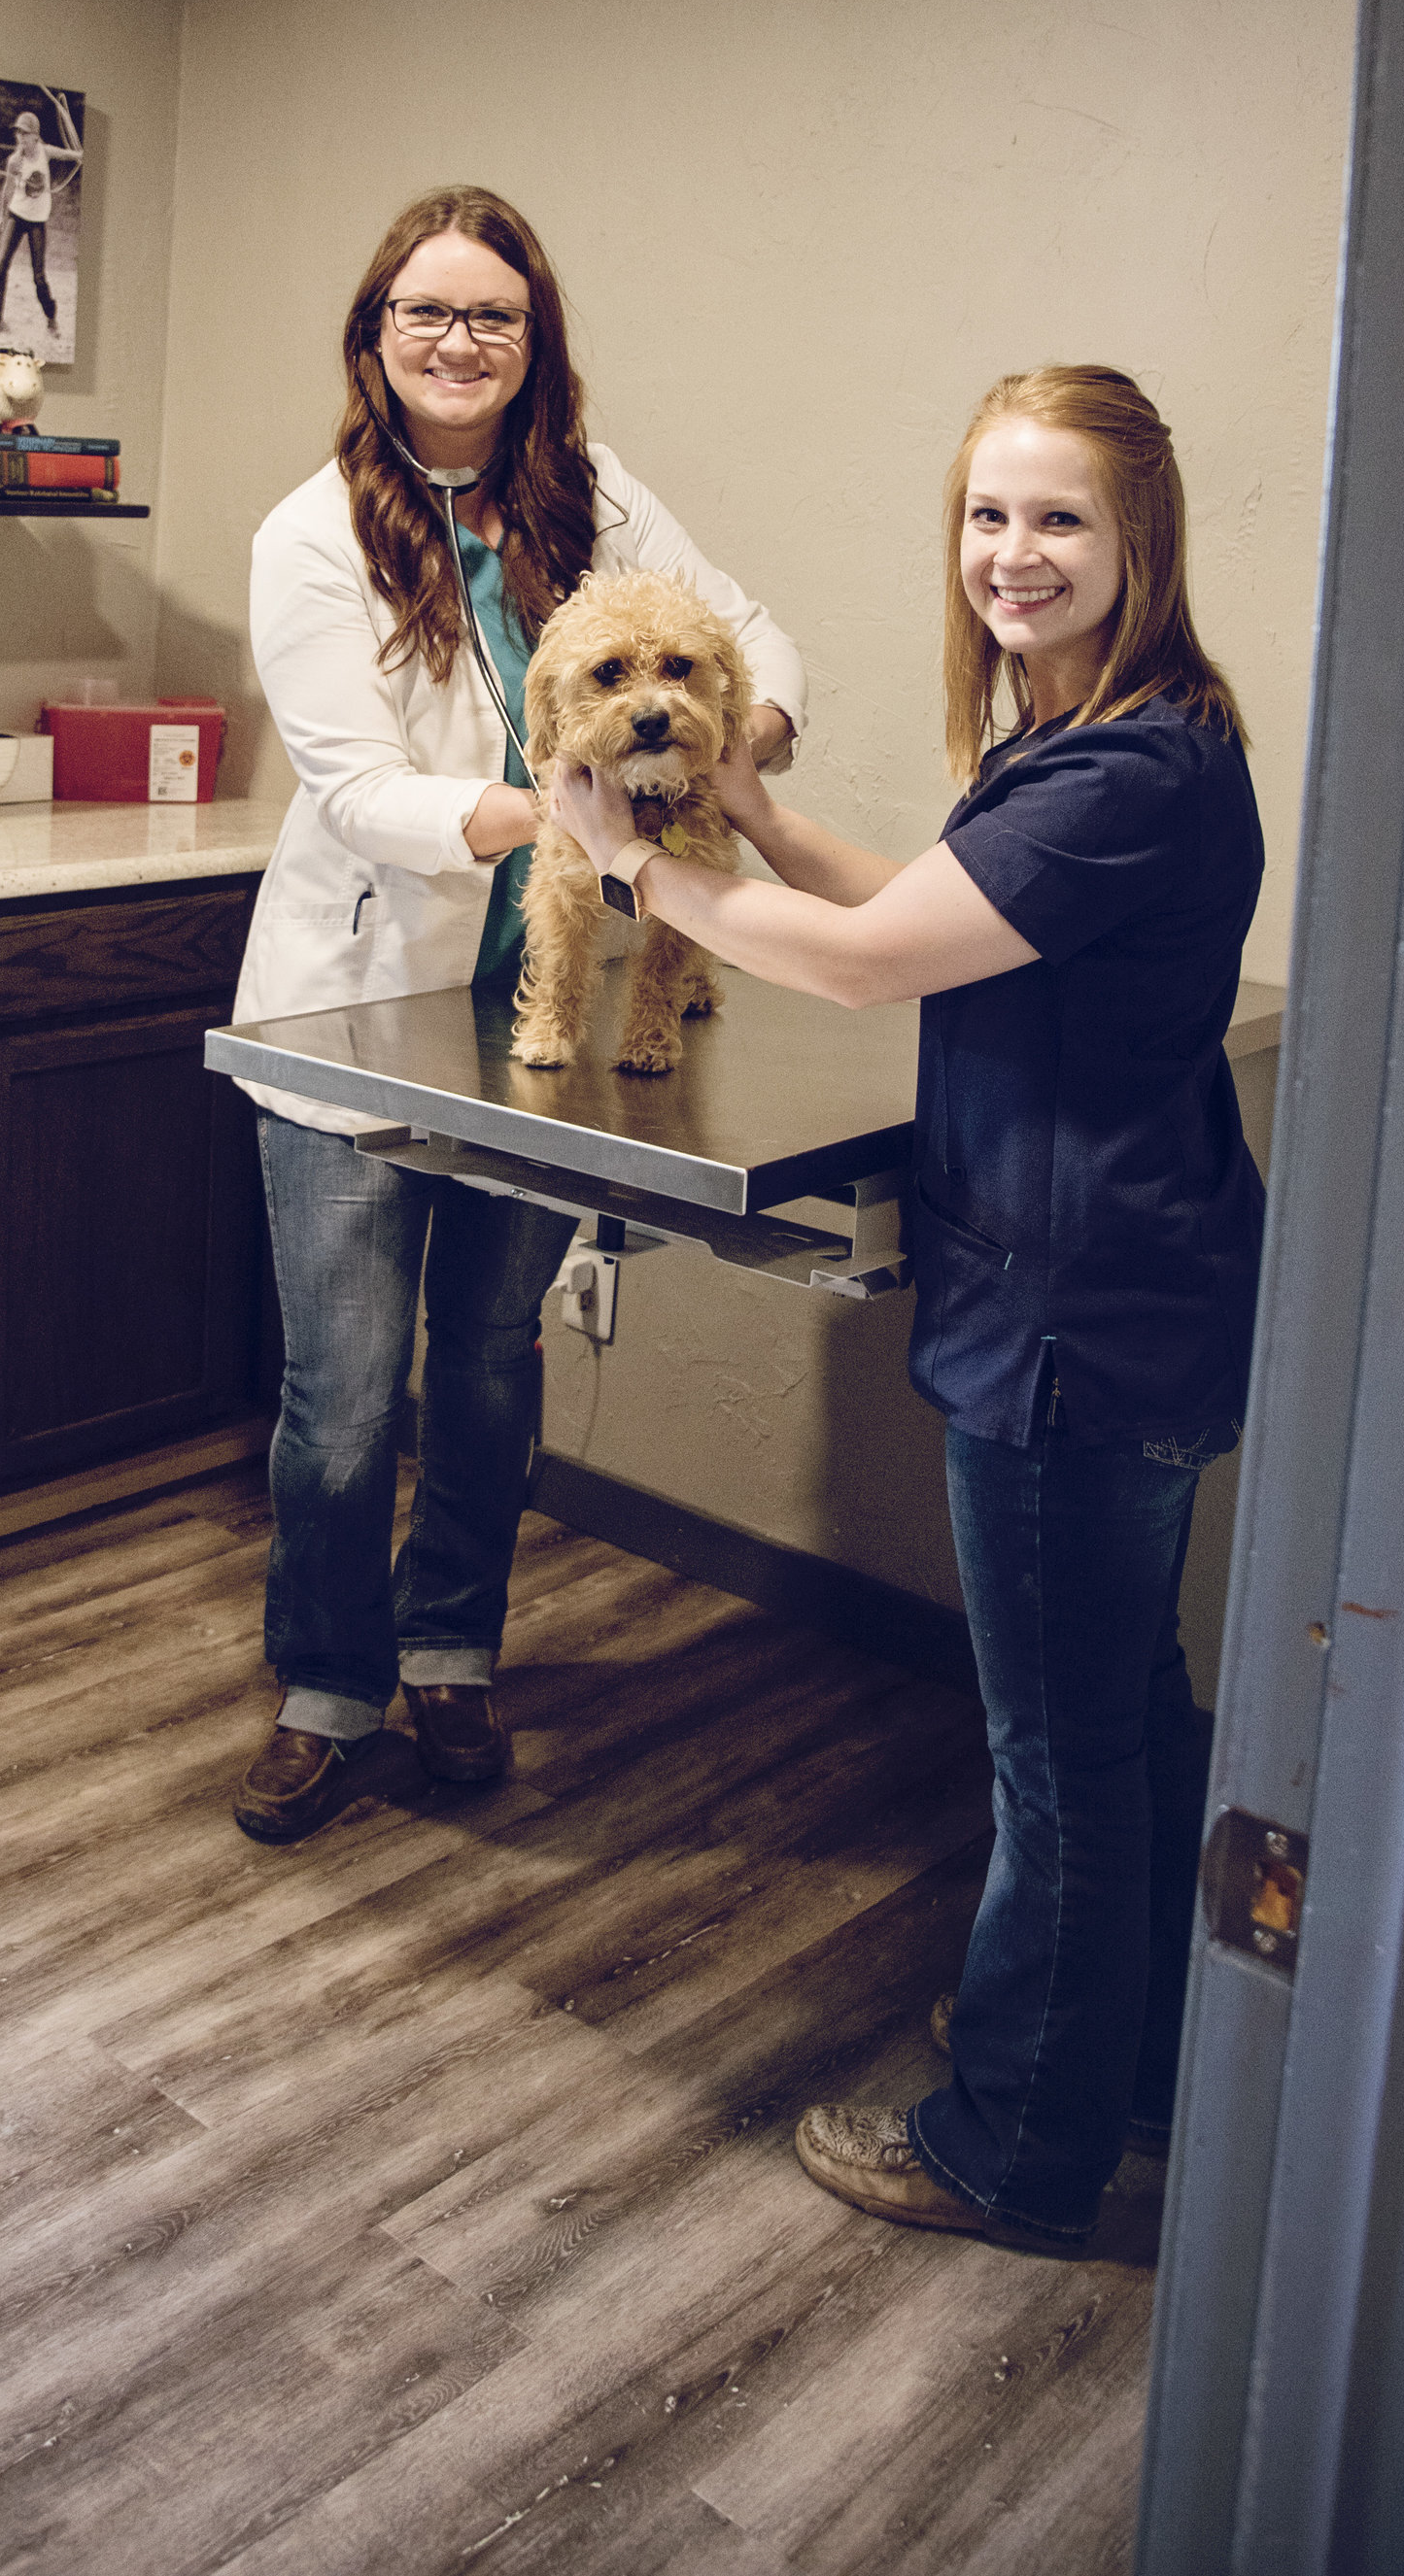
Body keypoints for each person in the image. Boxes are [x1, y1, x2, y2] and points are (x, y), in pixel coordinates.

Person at [547, 364, 1264, 2254]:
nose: (1011, 554)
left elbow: (872, 969)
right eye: (986, 515)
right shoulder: (1106, 734)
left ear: (1137, 538)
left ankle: (1011, 2144)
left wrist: (634, 862)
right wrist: (758, 817)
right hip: (1135, 1293)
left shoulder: (1122, 770)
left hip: (1068, 1328)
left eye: (1058, 518)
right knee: (1126, 1710)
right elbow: (937, 915)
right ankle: (1130, 2059)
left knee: (1058, 1754)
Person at [229, 186, 807, 1846]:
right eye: (426, 311)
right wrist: (551, 814)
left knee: (489, 1364)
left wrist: (730, 741)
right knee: (346, 1399)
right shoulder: (311, 535)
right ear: (375, 335)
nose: (459, 341)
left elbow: (748, 634)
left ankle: (451, 1657)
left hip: (534, 1015)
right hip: (359, 1008)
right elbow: (353, 785)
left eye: (493, 314)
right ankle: (326, 1688)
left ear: (533, 340)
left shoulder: (593, 494)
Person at [0, 110, 57, 332]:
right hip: (16, 215)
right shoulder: (14, 162)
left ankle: (51, 318)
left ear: (35, 136)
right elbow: (7, 190)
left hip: (37, 221)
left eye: (25, 133)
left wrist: (80, 155)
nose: (21, 137)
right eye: (19, 133)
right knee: (2, 265)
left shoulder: (45, 152)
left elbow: (68, 155)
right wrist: (1, 216)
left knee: (39, 275)